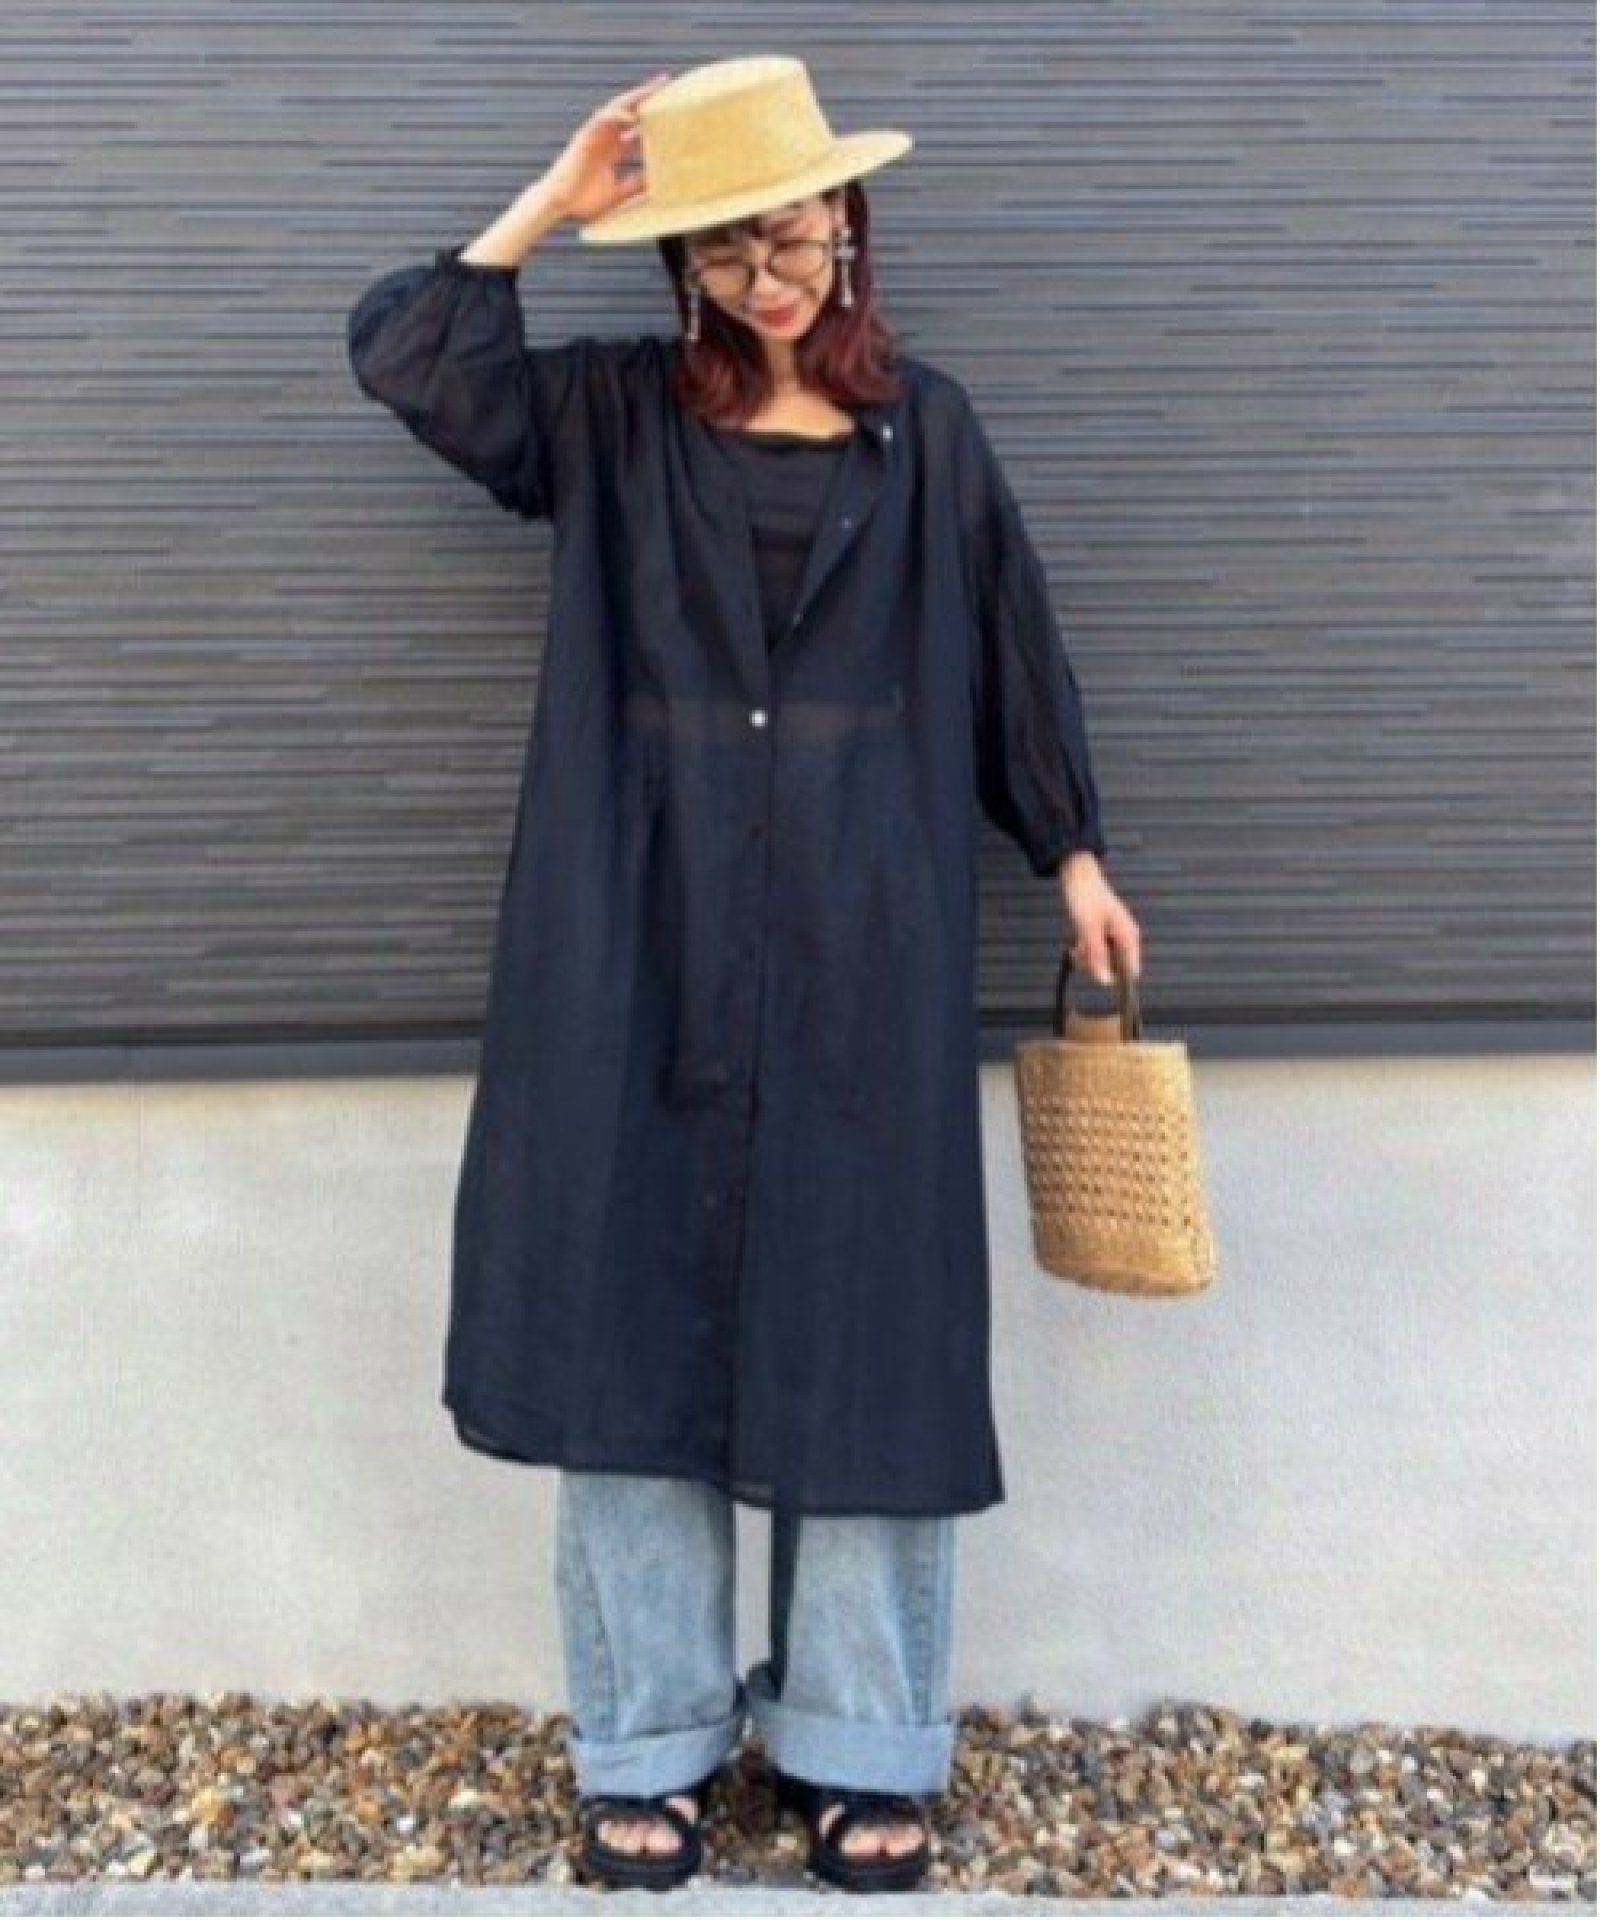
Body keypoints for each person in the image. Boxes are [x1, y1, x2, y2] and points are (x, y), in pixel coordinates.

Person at [347, 54, 1143, 1895]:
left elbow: (1009, 644)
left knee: (869, 1333)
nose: (766, 280)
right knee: (625, 1331)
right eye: (722, 253)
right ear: (679, 267)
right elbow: (413, 357)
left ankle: (864, 1744)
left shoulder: (928, 434)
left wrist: (1074, 852)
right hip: (636, 931)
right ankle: (649, 1745)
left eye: (791, 239)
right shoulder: (611, 419)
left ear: (849, 228)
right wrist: (556, 198)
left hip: (869, 937)